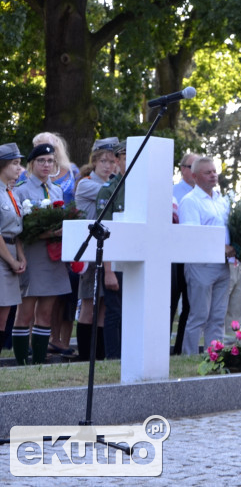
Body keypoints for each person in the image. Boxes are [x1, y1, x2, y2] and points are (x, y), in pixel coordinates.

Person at [11, 144, 71, 364]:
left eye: (50, 161)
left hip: (53, 256)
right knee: (25, 313)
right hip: (33, 254)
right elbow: (19, 229)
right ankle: (21, 362)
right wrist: (48, 232)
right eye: (41, 161)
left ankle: (38, 361)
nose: (46, 165)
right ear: (32, 164)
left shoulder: (56, 190)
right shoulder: (21, 190)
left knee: (45, 313)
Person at [178, 156, 234, 355]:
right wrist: (222, 247)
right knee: (199, 316)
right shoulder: (190, 201)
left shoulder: (220, 199)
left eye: (214, 171)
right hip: (201, 265)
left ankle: (214, 356)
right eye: (207, 172)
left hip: (223, 264)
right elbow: (192, 236)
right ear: (194, 176)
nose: (213, 175)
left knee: (218, 316)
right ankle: (189, 357)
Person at [74, 137, 121, 360]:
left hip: (108, 251)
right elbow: (113, 193)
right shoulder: (86, 184)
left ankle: (99, 356)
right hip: (91, 252)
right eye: (103, 160)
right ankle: (85, 356)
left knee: (103, 307)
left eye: (112, 161)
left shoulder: (113, 182)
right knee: (89, 306)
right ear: (94, 162)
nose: (107, 166)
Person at [95, 140, 127, 359]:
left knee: (133, 313)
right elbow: (103, 233)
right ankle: (113, 357)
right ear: (117, 160)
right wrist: (108, 270)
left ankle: (130, 354)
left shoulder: (145, 189)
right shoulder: (109, 190)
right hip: (115, 263)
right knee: (115, 312)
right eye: (126, 158)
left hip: (137, 263)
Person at [0, 143, 27, 358]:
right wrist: (10, 260)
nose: (19, 168)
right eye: (15, 163)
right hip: (2, 255)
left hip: (11, 253)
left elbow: (17, 229)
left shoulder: (12, 193)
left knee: (6, 311)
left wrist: (21, 255)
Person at [171, 152, 198, 355]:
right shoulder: (172, 192)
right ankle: (162, 348)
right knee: (169, 304)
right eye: (193, 167)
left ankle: (181, 349)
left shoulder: (205, 194)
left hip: (193, 258)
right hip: (172, 258)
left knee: (189, 306)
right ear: (183, 169)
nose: (196, 171)